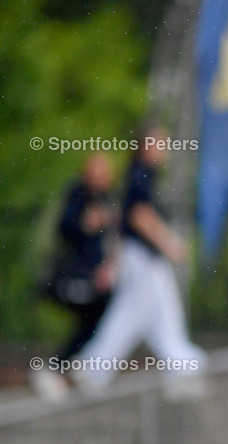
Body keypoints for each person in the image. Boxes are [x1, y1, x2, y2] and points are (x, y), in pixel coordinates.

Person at [72, 126, 207, 395]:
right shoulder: (141, 173)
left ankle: (95, 369)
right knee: (146, 314)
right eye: (160, 143)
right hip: (143, 258)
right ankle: (181, 368)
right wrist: (170, 244)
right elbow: (138, 215)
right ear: (147, 146)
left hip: (140, 257)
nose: (165, 149)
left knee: (145, 316)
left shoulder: (141, 173)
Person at [33, 153, 117, 401]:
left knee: (98, 317)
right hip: (71, 279)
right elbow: (64, 227)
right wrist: (85, 223)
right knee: (96, 313)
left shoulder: (107, 199)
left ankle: (75, 366)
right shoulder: (78, 195)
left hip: (93, 278)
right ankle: (61, 367)